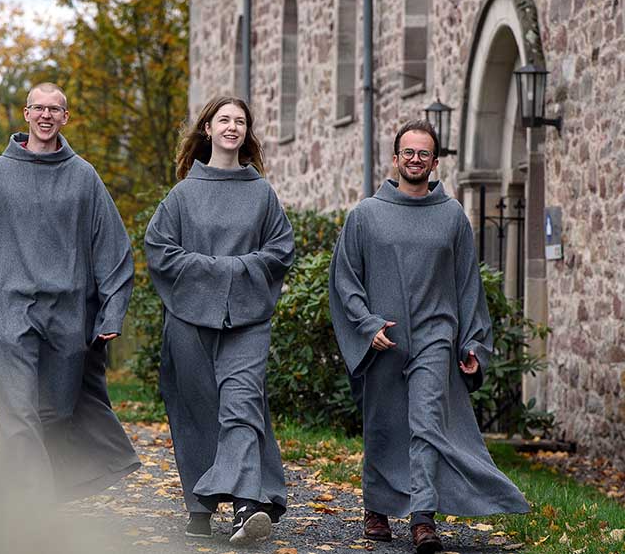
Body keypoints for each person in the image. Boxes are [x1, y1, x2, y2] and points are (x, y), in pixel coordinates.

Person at [328, 120, 530, 553]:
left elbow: (467, 285)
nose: (416, 159)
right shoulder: (365, 215)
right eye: (408, 152)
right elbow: (345, 281)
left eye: (424, 153)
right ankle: (377, 510)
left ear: (435, 162)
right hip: (384, 338)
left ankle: (423, 518)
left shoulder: (452, 216)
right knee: (382, 425)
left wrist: (472, 342)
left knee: (426, 424)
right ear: (395, 157)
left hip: (436, 335)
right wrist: (367, 325)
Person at [0, 82, 140, 501]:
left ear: (66, 118)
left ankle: (39, 496)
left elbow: (114, 251)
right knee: (17, 413)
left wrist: (110, 315)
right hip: (11, 311)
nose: (47, 116)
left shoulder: (84, 177)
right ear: (26, 114)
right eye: (39, 108)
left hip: (68, 315)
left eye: (56, 109)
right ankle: (26, 512)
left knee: (54, 414)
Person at [144, 96, 294, 546]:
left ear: (247, 134)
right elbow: (160, 250)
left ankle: (246, 506)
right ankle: (200, 502)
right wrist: (218, 271)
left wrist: (231, 271)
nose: (232, 127)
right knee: (197, 409)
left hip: (248, 317)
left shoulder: (262, 194)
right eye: (224, 119)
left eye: (240, 122)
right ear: (207, 129)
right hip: (190, 319)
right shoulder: (182, 194)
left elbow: (280, 250)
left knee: (242, 404)